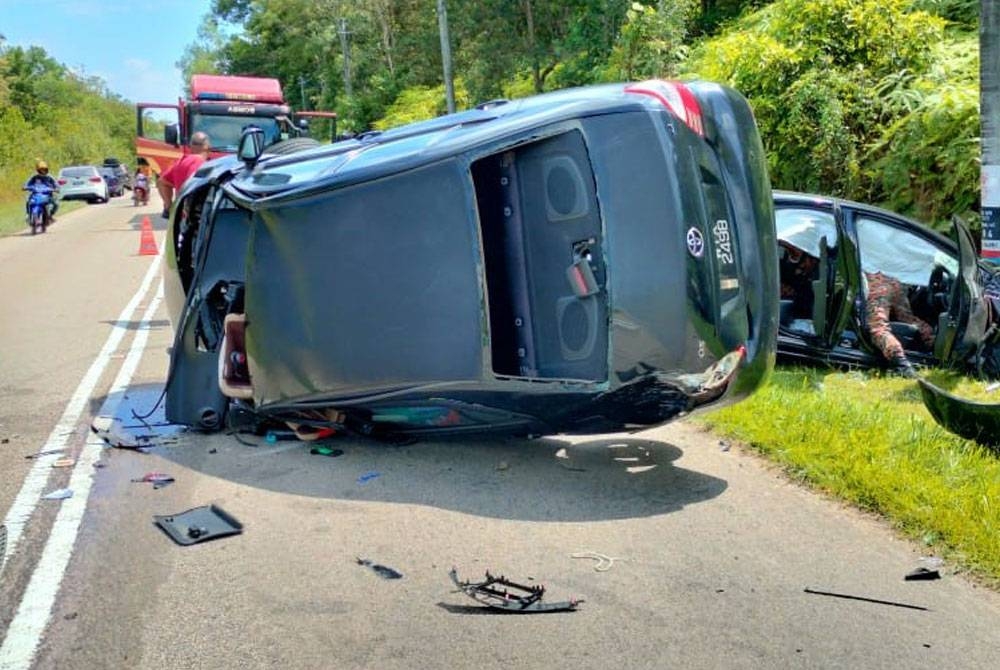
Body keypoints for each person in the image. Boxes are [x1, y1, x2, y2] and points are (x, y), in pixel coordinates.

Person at [864, 270, 934, 378]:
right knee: (908, 318)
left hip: (876, 287)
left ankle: (901, 364)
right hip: (894, 282)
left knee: (878, 327)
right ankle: (932, 341)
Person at [157, 132, 210, 218]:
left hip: (180, 216)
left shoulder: (181, 162)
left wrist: (168, 206)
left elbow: (161, 182)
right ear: (207, 146)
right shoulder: (200, 162)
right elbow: (192, 187)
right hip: (193, 219)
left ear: (191, 146)